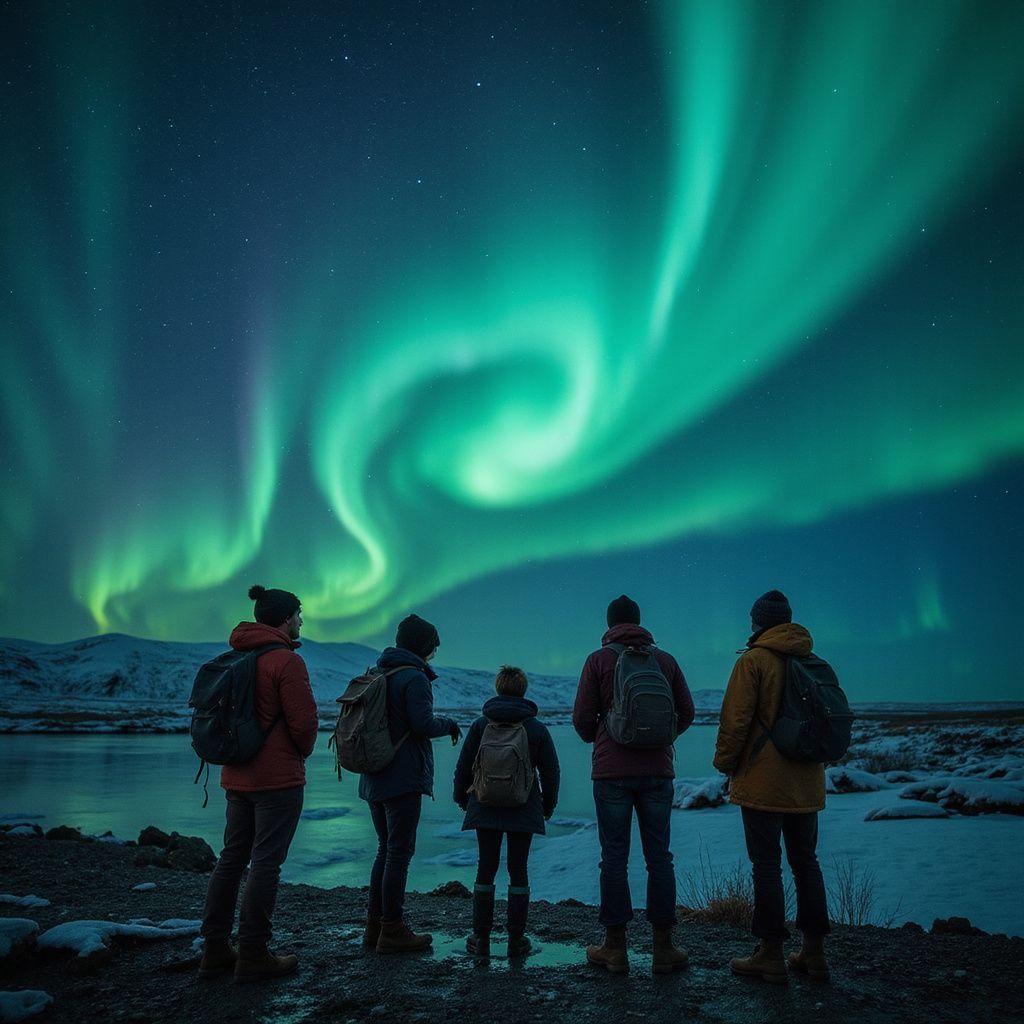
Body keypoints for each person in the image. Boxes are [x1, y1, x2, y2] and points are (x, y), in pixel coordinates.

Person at [199, 584, 318, 984]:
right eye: (299, 615)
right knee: (266, 863)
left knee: (231, 858)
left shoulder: (237, 655)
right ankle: (253, 952)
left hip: (236, 774)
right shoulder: (286, 661)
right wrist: (300, 752)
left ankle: (215, 949)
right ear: (285, 618)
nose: (301, 622)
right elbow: (303, 724)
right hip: (278, 779)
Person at [573, 594, 695, 974]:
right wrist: (658, 739)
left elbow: (580, 721)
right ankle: (663, 947)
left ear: (609, 625)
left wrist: (607, 734)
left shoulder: (598, 660)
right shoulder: (666, 661)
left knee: (614, 858)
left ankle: (615, 948)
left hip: (612, 773)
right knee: (660, 857)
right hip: (658, 772)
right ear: (639, 622)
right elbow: (687, 713)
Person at [713, 590, 831, 984]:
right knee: (806, 862)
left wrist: (724, 765)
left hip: (764, 782)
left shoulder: (754, 661)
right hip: (807, 781)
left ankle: (770, 953)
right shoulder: (811, 661)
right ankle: (814, 953)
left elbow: (735, 721)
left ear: (759, 622)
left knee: (767, 865)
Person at [359, 614, 461, 952]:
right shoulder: (414, 677)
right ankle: (392, 929)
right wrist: (450, 725)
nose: (436, 650)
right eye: (434, 643)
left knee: (384, 850)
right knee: (399, 852)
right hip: (401, 778)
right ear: (424, 645)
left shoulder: (379, 672)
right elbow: (422, 724)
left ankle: (374, 927)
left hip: (374, 774)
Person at [453, 665, 561, 958]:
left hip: (484, 803)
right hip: (523, 806)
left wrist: (463, 799)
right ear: (523, 691)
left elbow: (464, 767)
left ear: (498, 689)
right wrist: (546, 806)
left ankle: (481, 938)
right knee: (518, 868)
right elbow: (551, 772)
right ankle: (516, 939)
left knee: (485, 867)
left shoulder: (480, 725)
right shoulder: (535, 728)